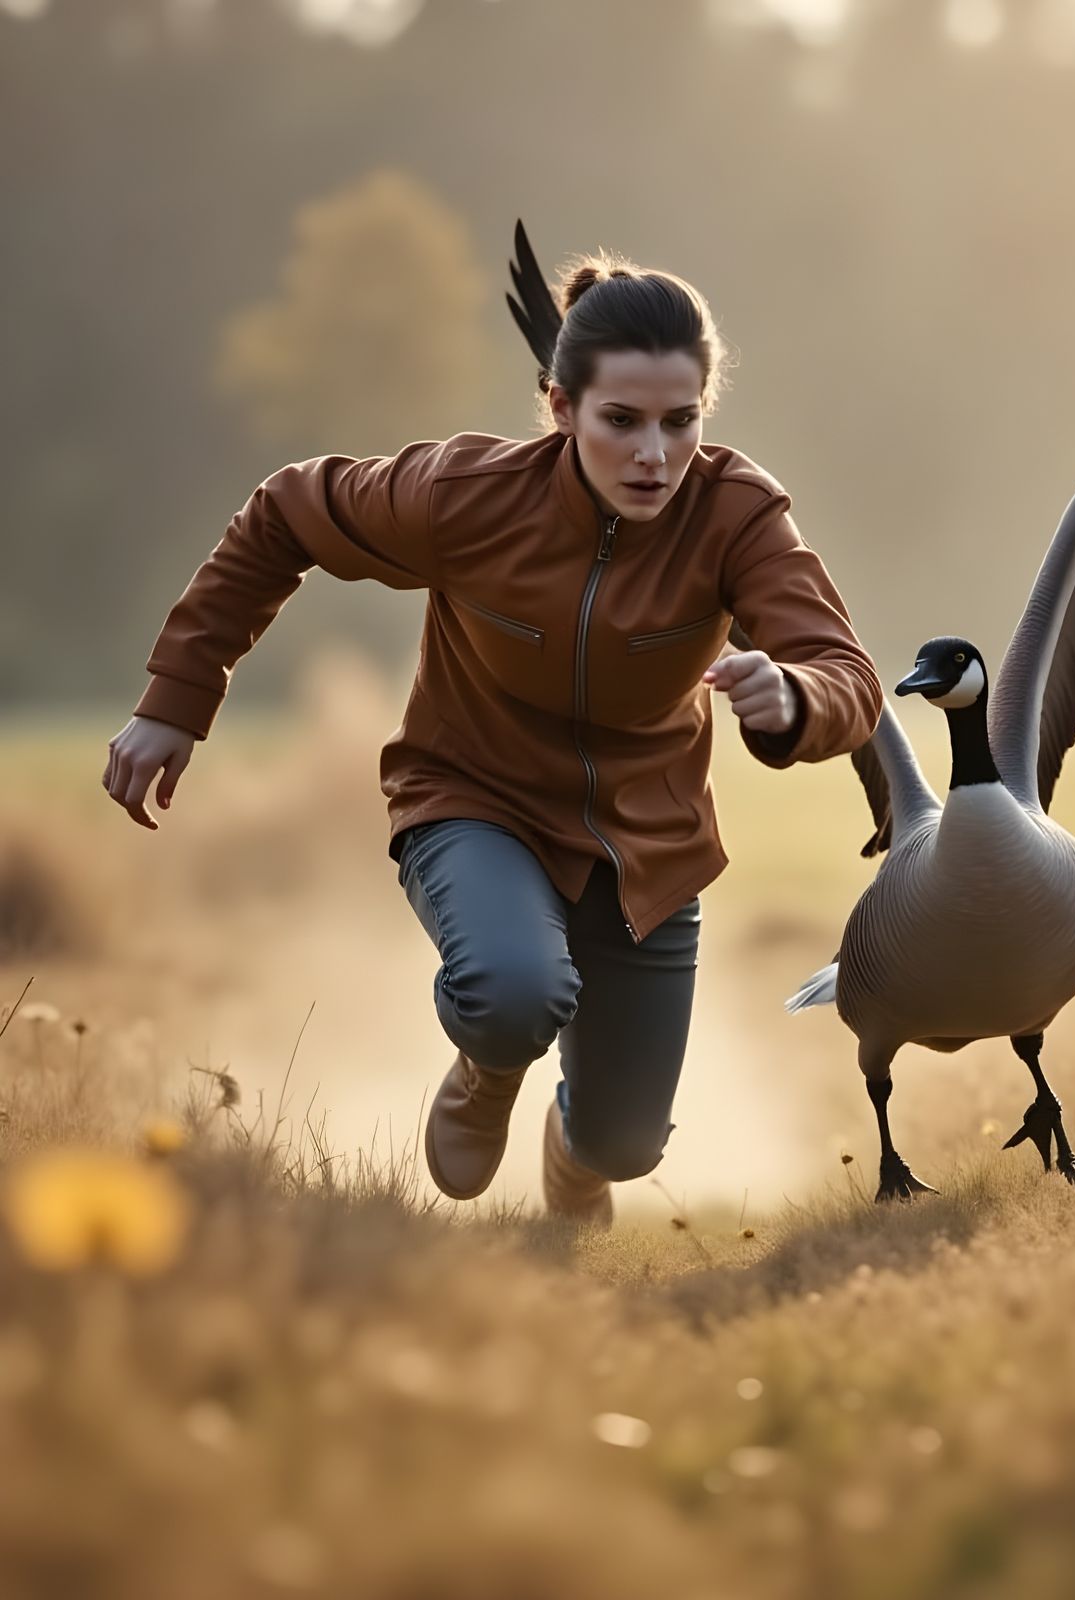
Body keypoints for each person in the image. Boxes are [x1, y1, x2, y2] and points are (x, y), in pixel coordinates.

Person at [102, 241, 883, 1224]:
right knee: (514, 992)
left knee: (625, 1144)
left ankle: (572, 1148)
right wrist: (175, 699)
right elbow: (285, 515)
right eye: (622, 421)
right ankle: (489, 1064)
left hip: (647, 846)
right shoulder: (464, 495)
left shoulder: (736, 515)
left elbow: (846, 672)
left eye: (680, 422)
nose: (654, 454)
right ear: (560, 407)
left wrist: (796, 697)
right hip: (473, 800)